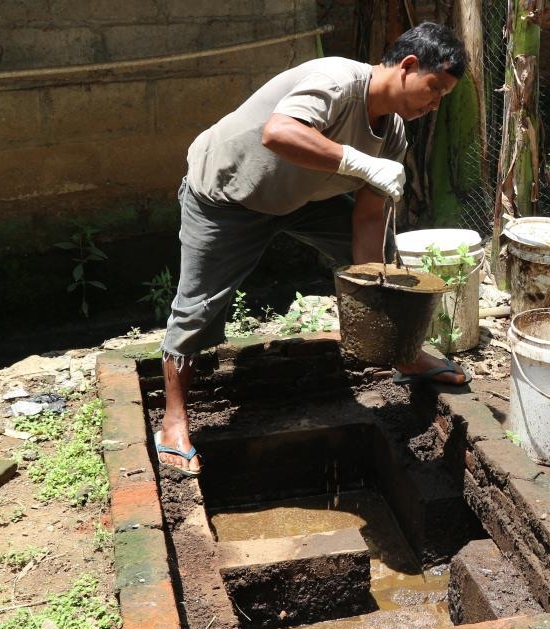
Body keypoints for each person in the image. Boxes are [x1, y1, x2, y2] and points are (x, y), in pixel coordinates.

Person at [155, 22, 470, 476]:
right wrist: (357, 161)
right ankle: (173, 421)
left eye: (443, 96)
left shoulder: (395, 135)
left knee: (386, 260)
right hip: (226, 194)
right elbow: (277, 132)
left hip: (299, 198)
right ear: (407, 66)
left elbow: (366, 218)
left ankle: (402, 355)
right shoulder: (338, 80)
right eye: (434, 88)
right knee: (198, 306)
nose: (435, 103)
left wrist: (375, 289)